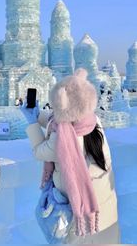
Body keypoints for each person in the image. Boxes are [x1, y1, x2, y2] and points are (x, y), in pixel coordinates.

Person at [21, 68, 120, 244]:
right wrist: (40, 116)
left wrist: (32, 123)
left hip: (80, 216)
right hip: (105, 212)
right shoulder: (92, 120)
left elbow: (39, 150)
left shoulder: (61, 138)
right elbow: (60, 119)